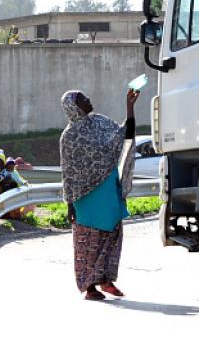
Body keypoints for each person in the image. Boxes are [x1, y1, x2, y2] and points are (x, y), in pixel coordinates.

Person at [60, 89, 139, 301]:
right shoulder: (69, 136)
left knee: (112, 233)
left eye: (86, 97)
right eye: (82, 99)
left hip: (108, 188)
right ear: (73, 107)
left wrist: (130, 108)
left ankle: (106, 280)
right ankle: (89, 287)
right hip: (84, 196)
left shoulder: (100, 122)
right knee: (88, 240)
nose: (88, 100)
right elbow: (68, 172)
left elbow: (124, 136)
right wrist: (69, 203)